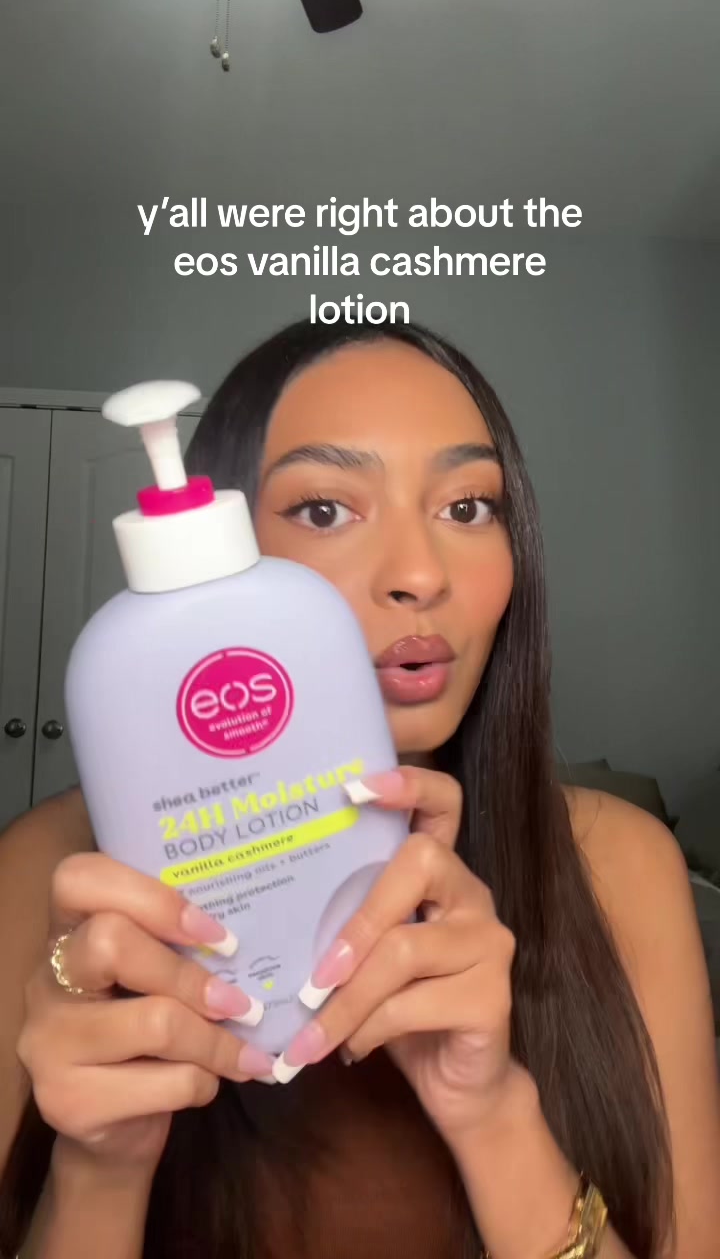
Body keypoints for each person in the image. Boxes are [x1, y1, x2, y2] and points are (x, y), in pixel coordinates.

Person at [0, 320, 718, 1259]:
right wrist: (101, 1168)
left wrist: (492, 1113)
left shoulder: (621, 863)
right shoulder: (55, 879)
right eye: (325, 510)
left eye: (468, 507)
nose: (419, 576)